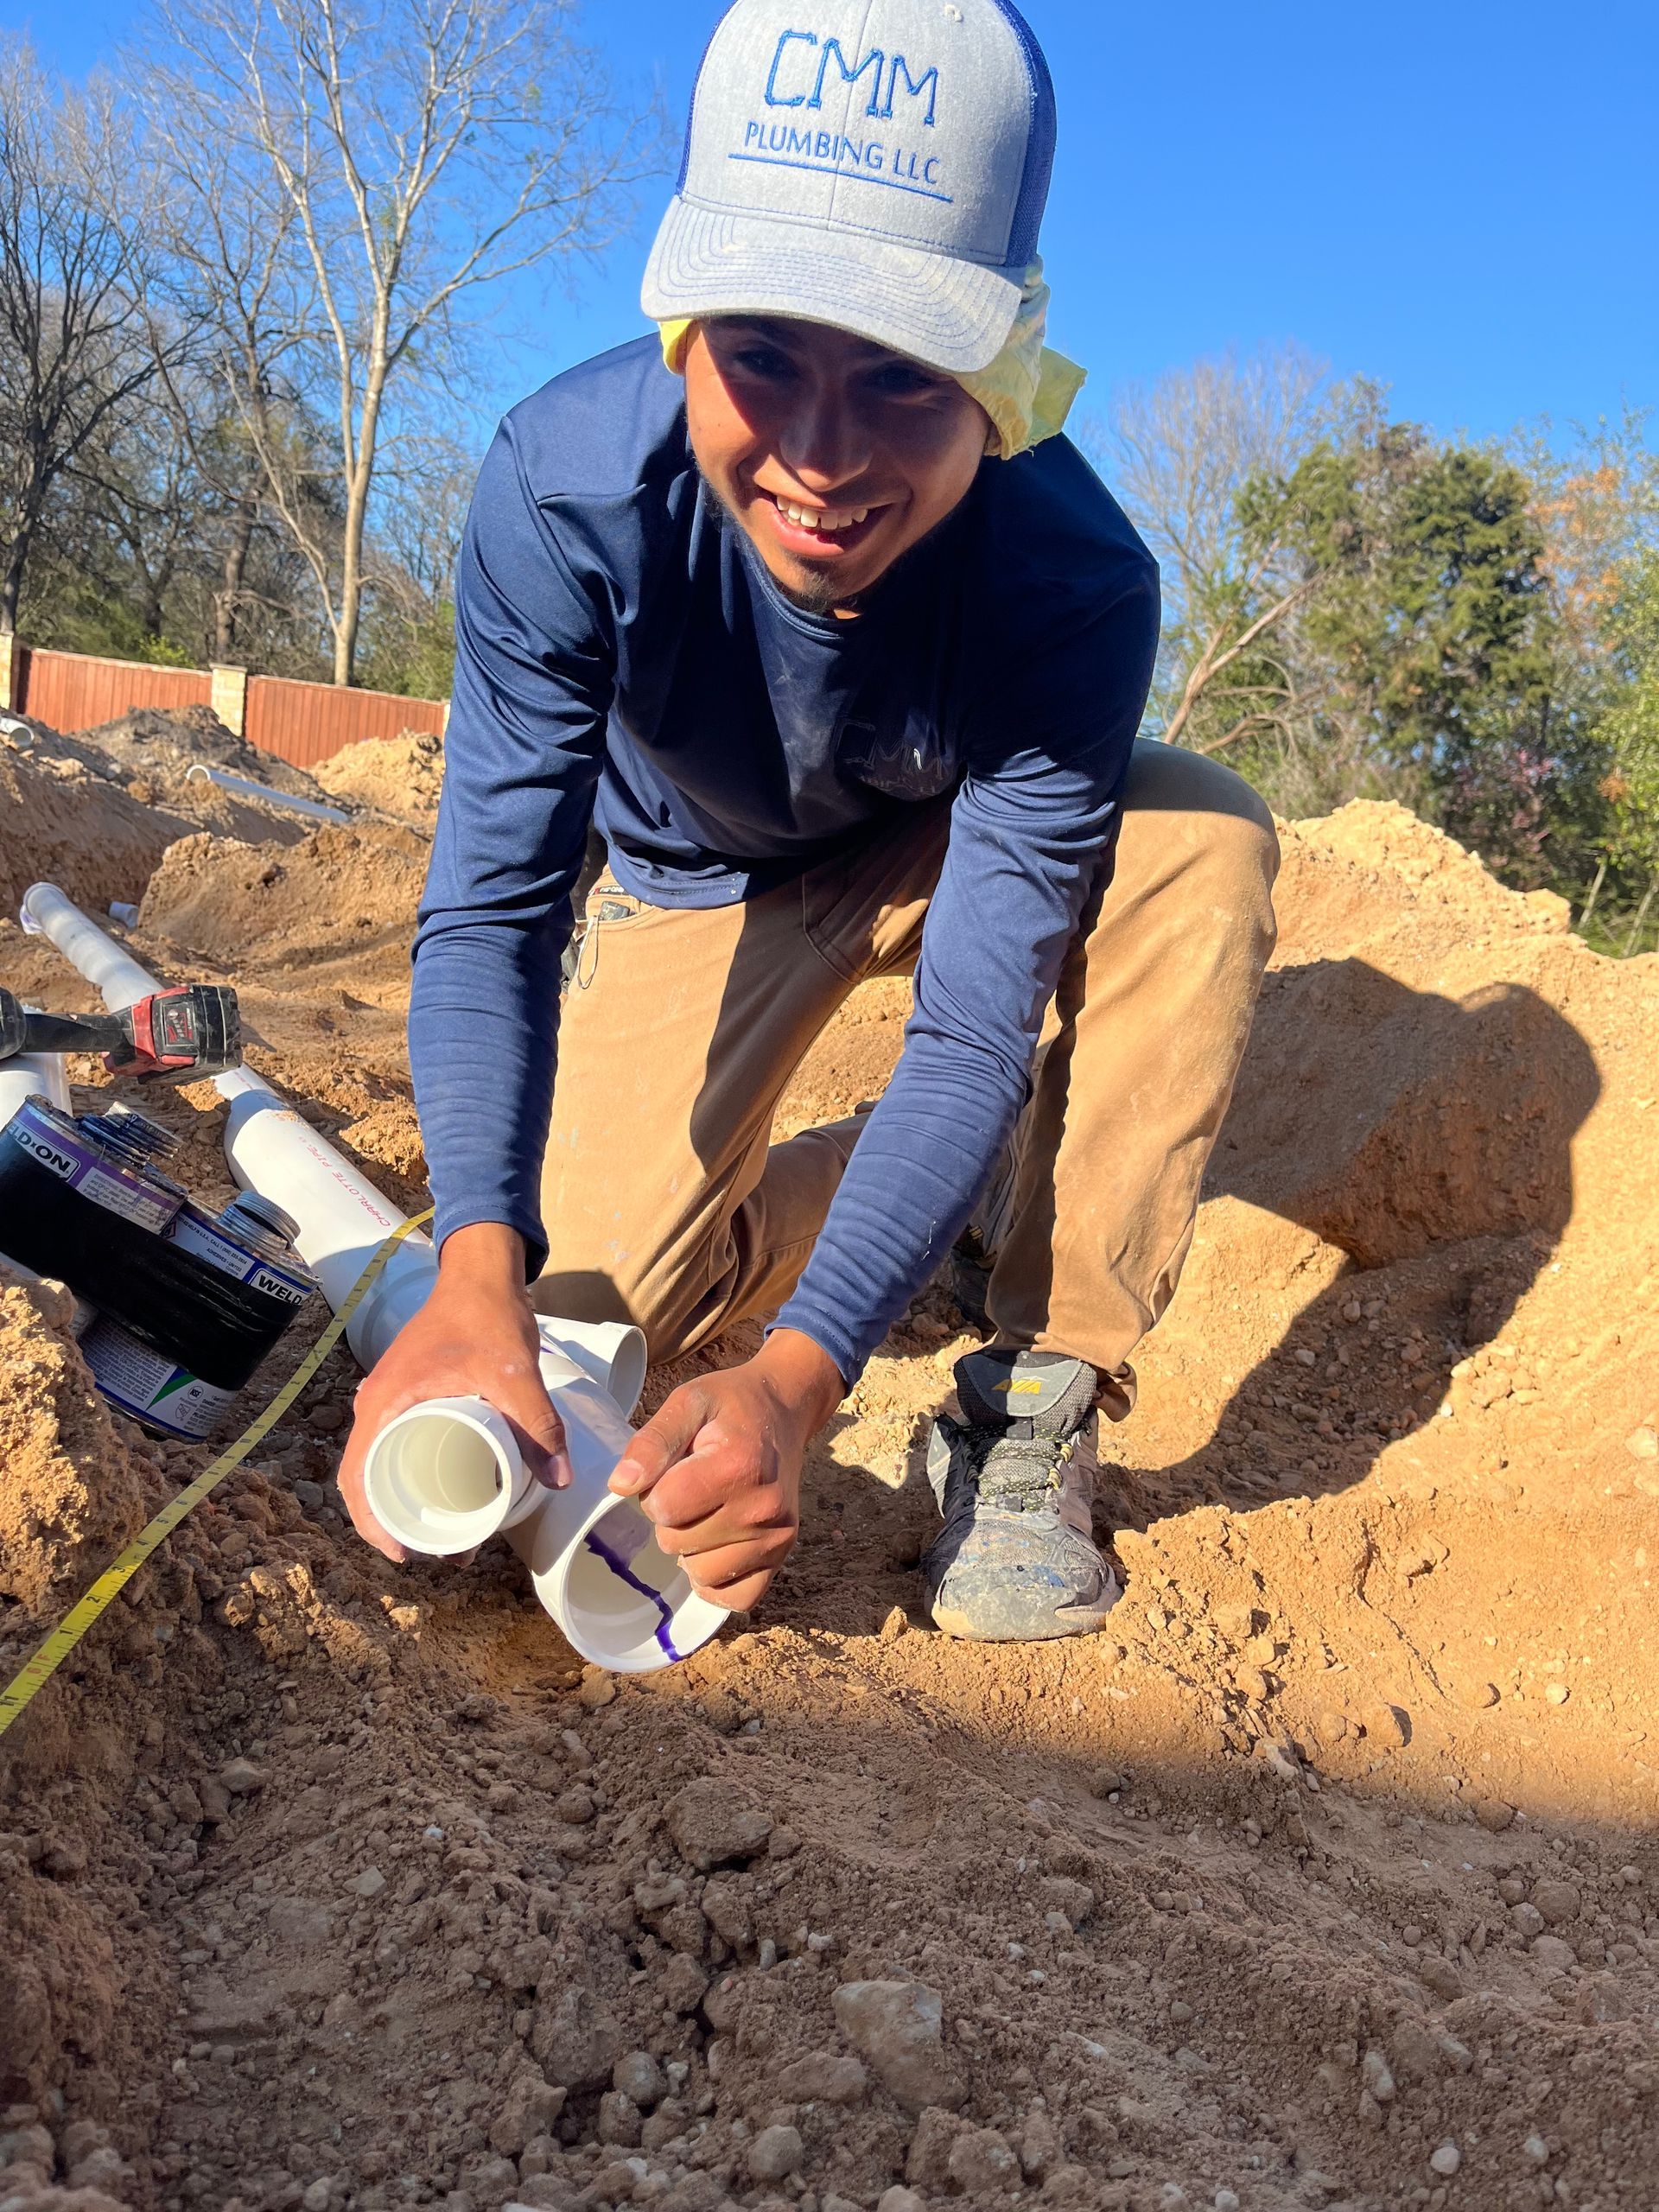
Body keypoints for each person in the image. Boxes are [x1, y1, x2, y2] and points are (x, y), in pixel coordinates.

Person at [339, 0, 1279, 1642]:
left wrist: (801, 1376)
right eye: (764, 351)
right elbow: (493, 910)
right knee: (589, 1329)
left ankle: (1031, 1389)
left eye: (905, 380)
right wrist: (478, 1267)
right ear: (685, 325)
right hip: (700, 878)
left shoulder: (1072, 579)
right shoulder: (561, 498)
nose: (822, 461)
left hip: (945, 839)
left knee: (1197, 838)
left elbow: (972, 1024)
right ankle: (935, 1195)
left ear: (1003, 373)